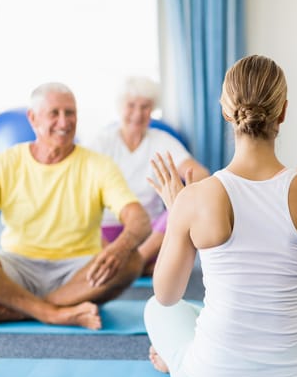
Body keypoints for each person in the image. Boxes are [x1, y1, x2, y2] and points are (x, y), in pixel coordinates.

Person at [144, 55, 297, 377]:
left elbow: (166, 295)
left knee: (154, 309)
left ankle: (176, 358)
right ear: (284, 112)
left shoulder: (194, 198)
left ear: (224, 110)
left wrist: (178, 215)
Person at [0, 82, 150, 329]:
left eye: (70, 113)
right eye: (54, 113)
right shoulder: (4, 162)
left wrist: (119, 248)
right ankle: (52, 313)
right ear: (33, 118)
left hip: (79, 272)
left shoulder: (98, 165)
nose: (64, 122)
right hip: (17, 267)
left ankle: (22, 309)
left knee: (131, 260)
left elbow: (139, 219)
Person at [86, 76, 209, 275]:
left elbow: (200, 173)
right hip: (107, 232)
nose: (137, 114)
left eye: (145, 107)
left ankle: (134, 263)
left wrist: (187, 192)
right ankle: (138, 266)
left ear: (152, 111)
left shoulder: (162, 141)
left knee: (180, 207)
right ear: (120, 107)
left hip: (150, 234)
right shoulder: (102, 141)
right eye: (131, 106)